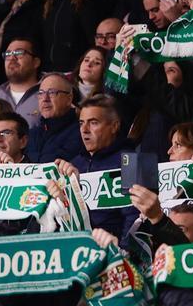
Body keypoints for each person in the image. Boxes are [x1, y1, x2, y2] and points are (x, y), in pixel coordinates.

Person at [57, 94, 137, 236]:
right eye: (81, 123)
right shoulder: (74, 164)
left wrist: (123, 253)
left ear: (114, 126)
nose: (84, 130)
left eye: (93, 123)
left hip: (113, 250)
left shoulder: (132, 162)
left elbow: (135, 216)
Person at [0, 36, 43, 126]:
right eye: (8, 54)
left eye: (19, 52)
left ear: (36, 62)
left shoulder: (49, 96)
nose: (12, 58)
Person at [26, 73, 83, 163]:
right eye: (41, 93)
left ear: (69, 99)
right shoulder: (32, 134)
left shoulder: (81, 132)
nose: (45, 98)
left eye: (52, 92)